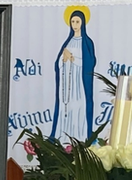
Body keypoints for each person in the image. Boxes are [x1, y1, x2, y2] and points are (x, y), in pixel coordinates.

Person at [49, 10, 95, 143]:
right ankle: (63, 139)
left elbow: (90, 63)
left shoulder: (87, 42)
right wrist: (63, 60)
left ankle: (79, 138)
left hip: (79, 85)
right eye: (72, 22)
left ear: (82, 23)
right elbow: (57, 64)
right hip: (66, 86)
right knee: (66, 109)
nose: (75, 24)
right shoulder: (67, 42)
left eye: (77, 22)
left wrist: (73, 58)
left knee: (79, 108)